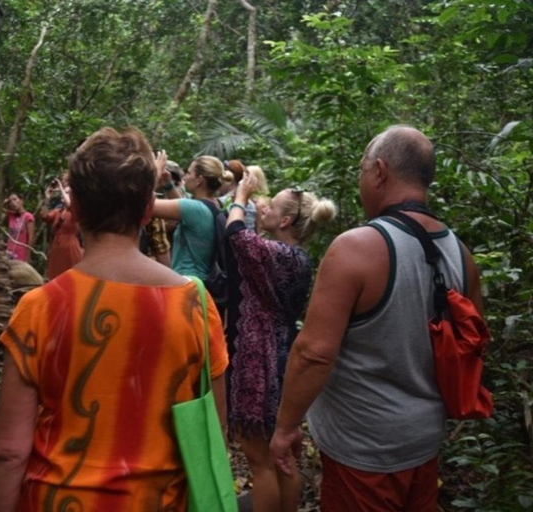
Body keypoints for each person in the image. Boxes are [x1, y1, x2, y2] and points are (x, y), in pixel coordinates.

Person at [0, 127, 228, 512]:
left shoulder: (39, 307)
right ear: (149, 208)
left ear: (76, 208)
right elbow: (213, 431)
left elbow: (9, 453)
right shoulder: (196, 306)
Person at [270, 126, 485, 511]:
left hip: (363, 450)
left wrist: (286, 427)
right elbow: (473, 345)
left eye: (362, 169)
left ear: (380, 172)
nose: (361, 179)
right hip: (423, 441)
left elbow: (313, 353)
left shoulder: (357, 248)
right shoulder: (460, 253)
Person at [227, 170, 336, 512]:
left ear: (285, 220)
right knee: (283, 456)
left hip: (259, 357)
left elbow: (234, 233)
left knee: (260, 461)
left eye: (271, 205)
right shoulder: (296, 257)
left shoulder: (278, 255)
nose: (264, 206)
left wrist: (241, 196)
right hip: (281, 355)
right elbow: (254, 255)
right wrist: (259, 221)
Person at [152, 154, 230, 279]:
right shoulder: (213, 205)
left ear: (199, 180)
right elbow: (182, 209)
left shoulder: (194, 209)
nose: (185, 177)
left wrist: (154, 175)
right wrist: (168, 185)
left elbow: (143, 205)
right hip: (201, 281)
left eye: (189, 173)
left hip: (188, 280)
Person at [39, 176, 83, 279]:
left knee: (72, 277)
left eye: (68, 193)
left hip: (70, 247)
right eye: (64, 192)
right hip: (57, 248)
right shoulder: (58, 212)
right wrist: (47, 198)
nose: (64, 194)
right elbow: (44, 216)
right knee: (56, 277)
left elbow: (71, 205)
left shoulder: (75, 212)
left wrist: (61, 187)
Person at [4, 192, 35, 262]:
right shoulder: (10, 215)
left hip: (21, 253)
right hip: (9, 252)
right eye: (10, 201)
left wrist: (28, 256)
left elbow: (31, 237)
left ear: (21, 200)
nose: (13, 203)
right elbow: (0, 210)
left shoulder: (28, 216)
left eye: (15, 199)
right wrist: (6, 202)